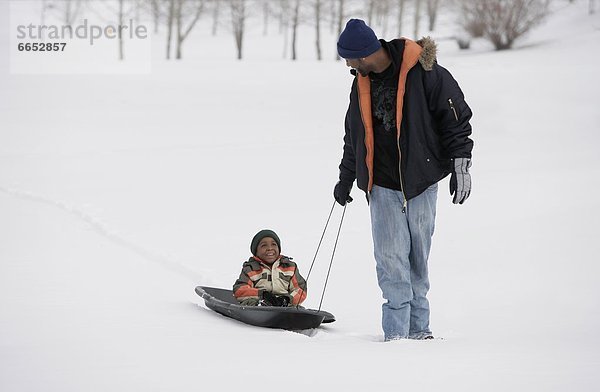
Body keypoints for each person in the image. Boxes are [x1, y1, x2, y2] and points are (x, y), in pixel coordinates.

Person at [333, 19, 474, 341]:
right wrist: (346, 177)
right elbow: (353, 136)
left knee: (416, 260)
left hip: (421, 182)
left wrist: (461, 165)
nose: (348, 66)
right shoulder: (360, 83)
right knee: (390, 260)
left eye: (349, 59)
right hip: (381, 185)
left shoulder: (425, 73)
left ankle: (419, 331)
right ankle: (396, 336)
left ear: (365, 54)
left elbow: (455, 120)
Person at [233, 229, 307, 307]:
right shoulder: (250, 269)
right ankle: (261, 308)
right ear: (256, 252)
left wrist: (287, 299)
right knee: (249, 303)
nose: (269, 248)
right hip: (258, 303)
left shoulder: (289, 267)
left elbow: (300, 289)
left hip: (284, 305)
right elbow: (240, 290)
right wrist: (263, 295)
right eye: (264, 245)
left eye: (274, 244)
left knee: (297, 308)